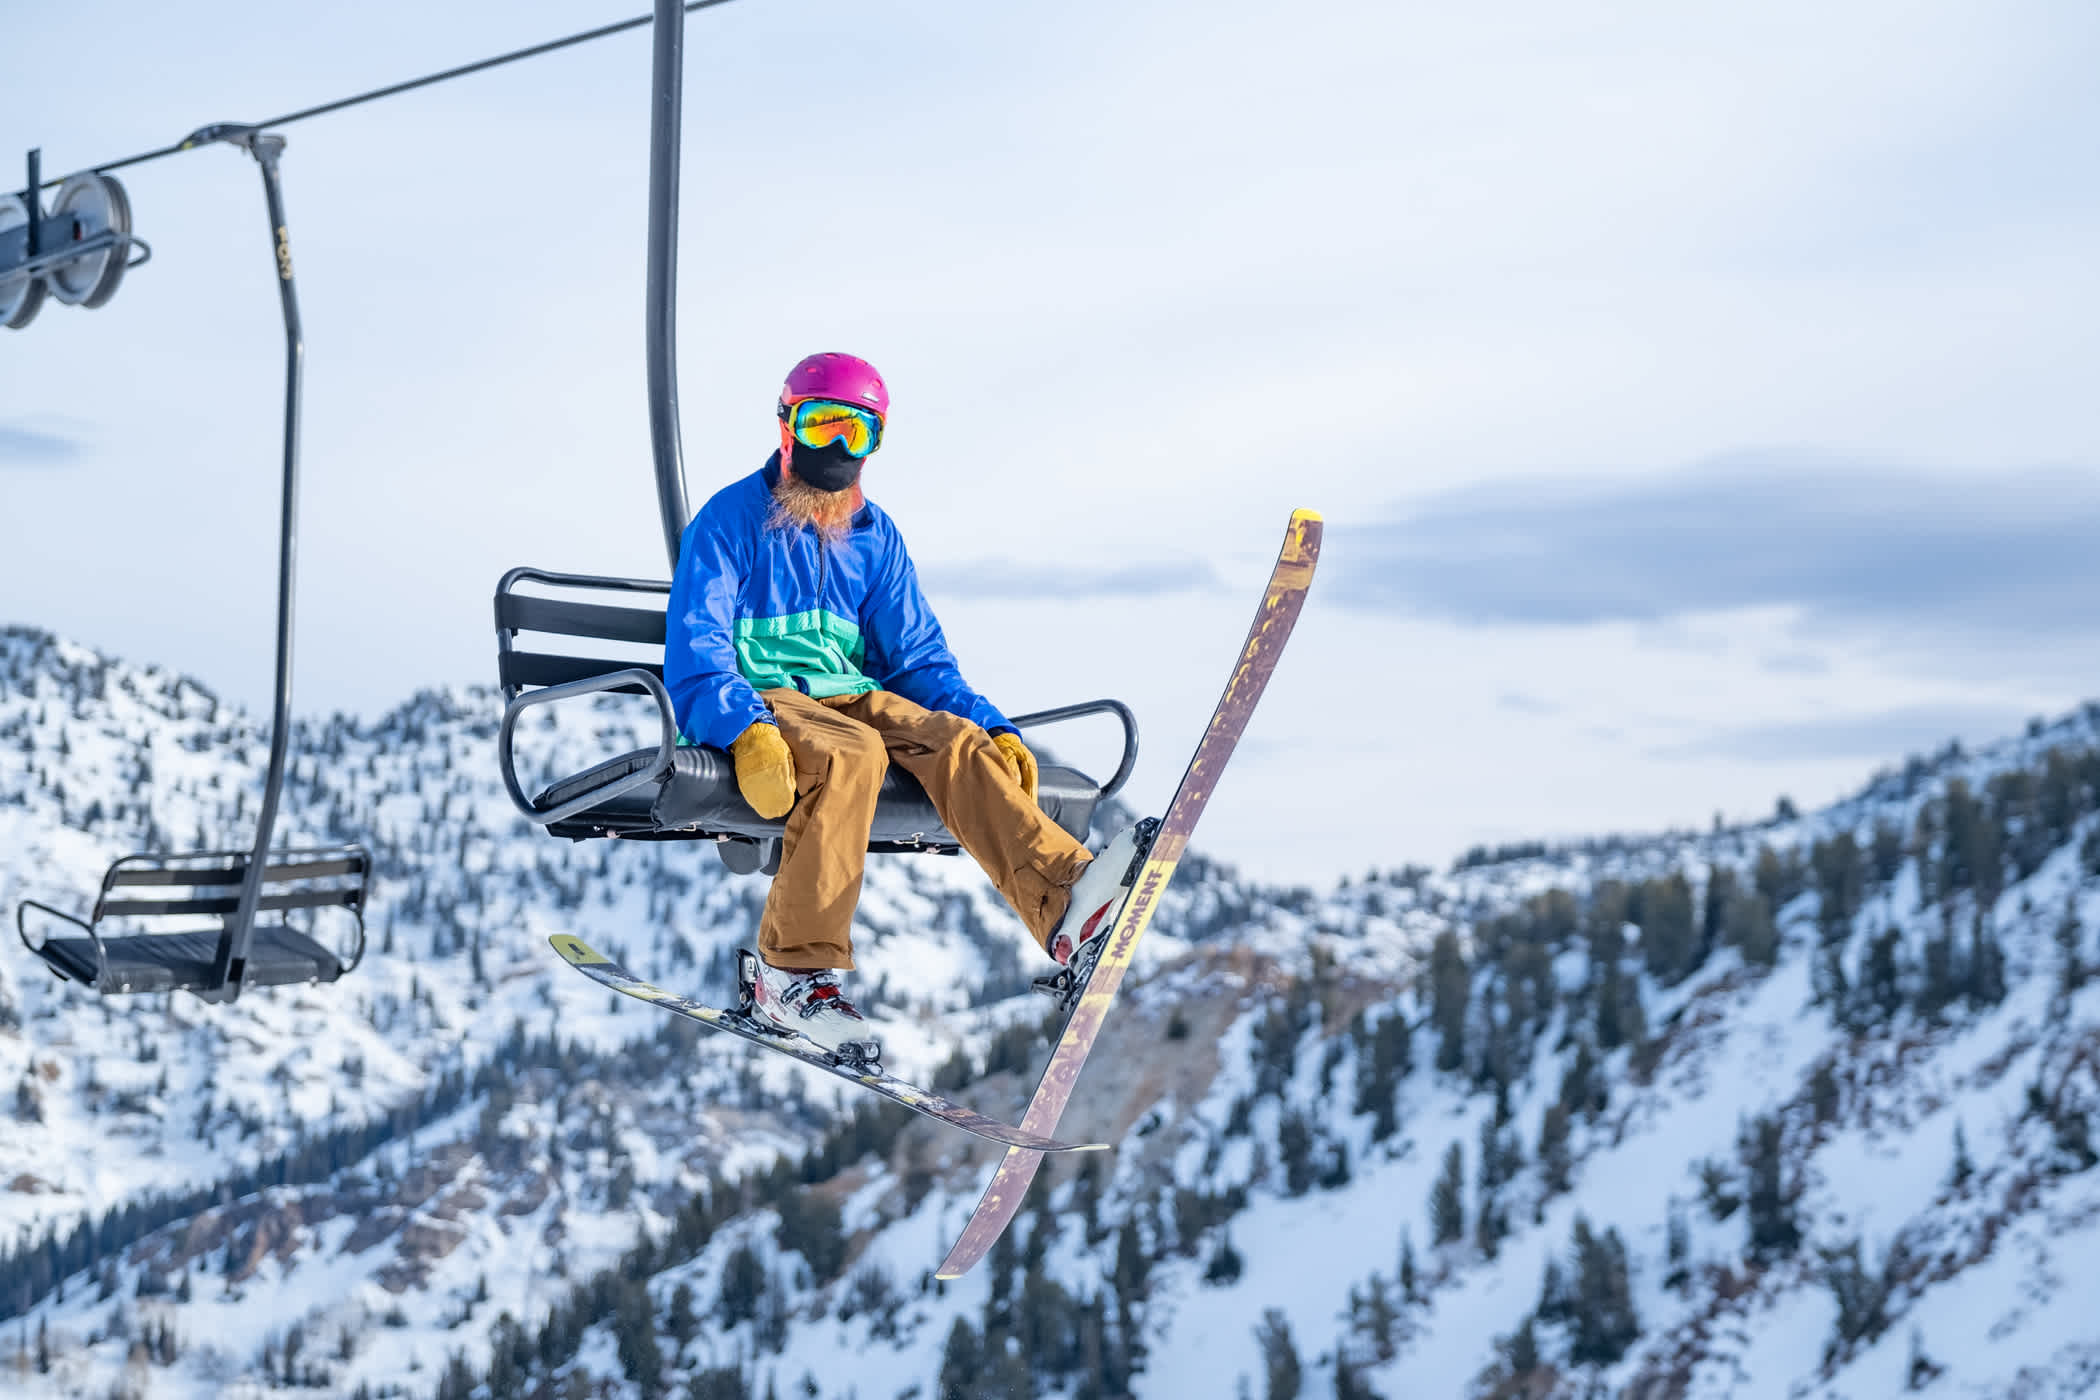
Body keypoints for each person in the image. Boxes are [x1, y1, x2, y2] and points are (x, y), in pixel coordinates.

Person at [664, 352, 1148, 1051]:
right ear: (786, 425)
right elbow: (697, 642)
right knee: (850, 753)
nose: (837, 448)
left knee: (953, 742)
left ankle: (1064, 906)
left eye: (856, 434)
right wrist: (743, 728)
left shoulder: (874, 538)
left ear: (876, 442)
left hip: (849, 695)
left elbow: (919, 660)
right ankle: (789, 978)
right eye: (822, 425)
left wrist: (989, 727)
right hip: (766, 697)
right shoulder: (730, 520)